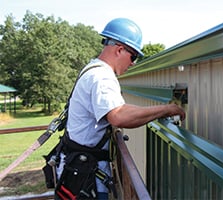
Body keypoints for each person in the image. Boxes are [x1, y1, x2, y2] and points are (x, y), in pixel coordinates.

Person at [55, 18, 185, 200]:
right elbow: (118, 116)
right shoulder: (102, 77)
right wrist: (166, 110)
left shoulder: (92, 69)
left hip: (77, 168)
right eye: (133, 57)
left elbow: (118, 108)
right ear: (119, 50)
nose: (133, 63)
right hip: (85, 176)